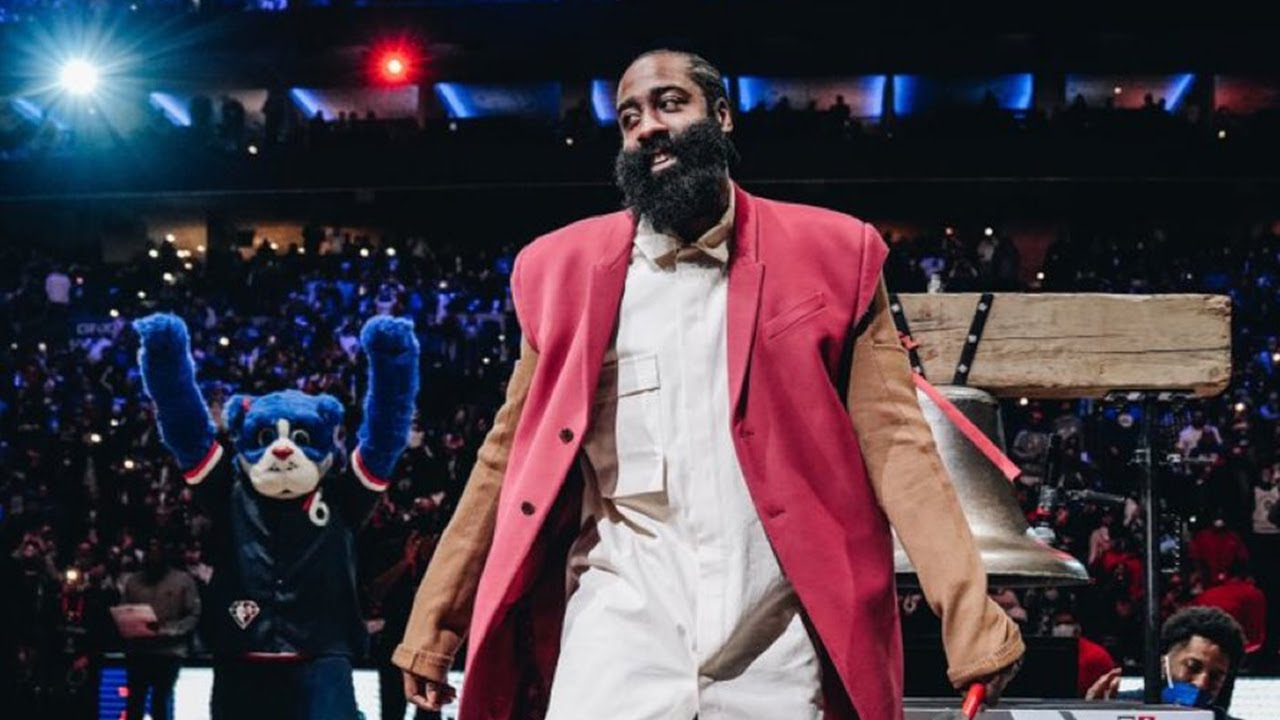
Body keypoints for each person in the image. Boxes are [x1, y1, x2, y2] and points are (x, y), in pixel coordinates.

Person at [394, 49, 1023, 720]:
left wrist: (968, 613)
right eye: (630, 117)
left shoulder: (836, 255)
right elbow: (506, 456)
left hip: (777, 637)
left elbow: (899, 444)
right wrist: (435, 621)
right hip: (617, 627)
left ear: (722, 117)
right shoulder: (560, 273)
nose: (647, 128)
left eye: (670, 103)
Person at [1086, 607, 1246, 719]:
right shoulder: (1115, 709)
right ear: (1164, 663)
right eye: (1192, 667)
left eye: (1216, 676)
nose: (1201, 683)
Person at [119, 538, 201, 720]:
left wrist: (169, 630)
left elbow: (193, 616)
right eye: (150, 551)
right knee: (134, 702)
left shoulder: (183, 580)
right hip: (139, 650)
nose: (153, 555)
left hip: (169, 652)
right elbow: (123, 610)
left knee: (161, 702)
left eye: (158, 550)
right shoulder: (133, 581)